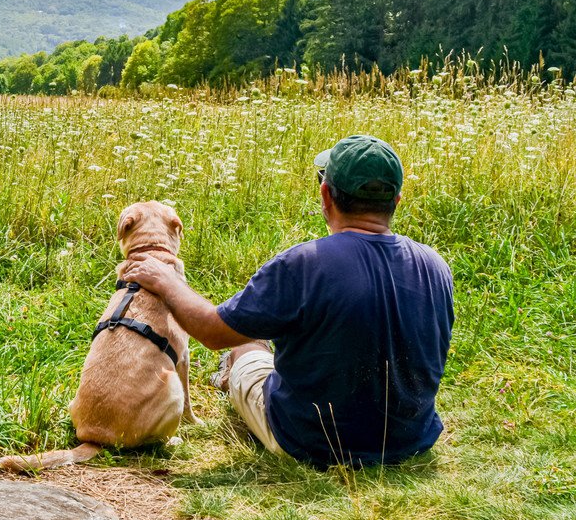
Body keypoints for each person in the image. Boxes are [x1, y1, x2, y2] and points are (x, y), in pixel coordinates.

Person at [119, 135, 454, 468]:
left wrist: (166, 281)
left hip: (306, 442)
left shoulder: (304, 264)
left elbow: (211, 332)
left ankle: (230, 373)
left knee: (245, 345)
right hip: (410, 440)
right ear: (396, 200)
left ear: (326, 194)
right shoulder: (435, 265)